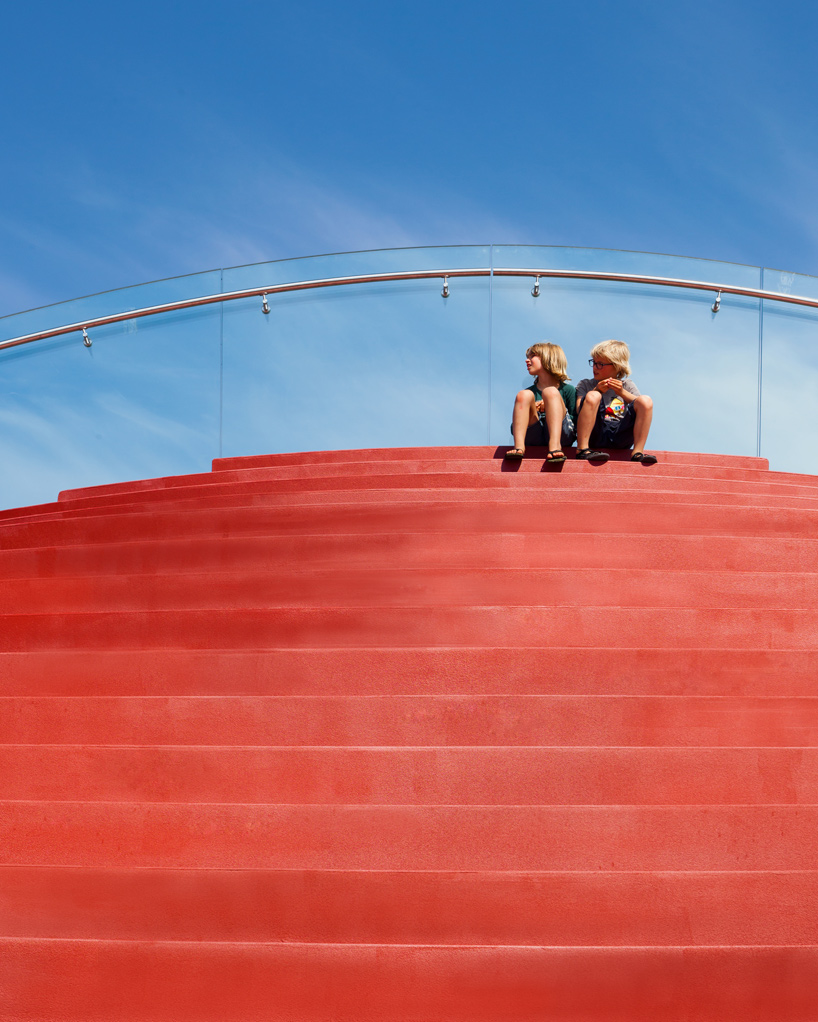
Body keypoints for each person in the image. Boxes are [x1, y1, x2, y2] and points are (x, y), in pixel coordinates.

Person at [574, 339, 656, 464]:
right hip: (596, 432)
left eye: (600, 364)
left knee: (646, 400)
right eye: (594, 362)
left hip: (620, 434)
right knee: (592, 396)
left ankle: (637, 452)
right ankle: (582, 449)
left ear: (617, 366)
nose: (595, 367)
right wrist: (597, 391)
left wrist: (622, 392)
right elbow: (579, 409)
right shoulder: (586, 384)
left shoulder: (627, 384)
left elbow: (643, 407)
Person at [506, 342, 577, 462]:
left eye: (532, 356)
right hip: (534, 434)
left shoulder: (567, 390)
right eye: (527, 357)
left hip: (561, 435)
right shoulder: (529, 393)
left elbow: (575, 421)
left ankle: (555, 446)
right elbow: (514, 427)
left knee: (551, 392)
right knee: (523, 395)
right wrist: (533, 408)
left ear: (548, 358)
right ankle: (519, 447)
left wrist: (554, 407)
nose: (527, 361)